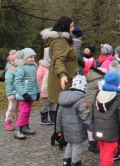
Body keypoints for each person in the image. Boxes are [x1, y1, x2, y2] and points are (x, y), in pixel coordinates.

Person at [40, 15, 78, 148]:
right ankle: (62, 136)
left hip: (65, 78)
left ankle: (58, 135)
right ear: (65, 26)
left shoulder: (63, 40)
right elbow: (59, 60)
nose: (73, 28)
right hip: (62, 80)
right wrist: (62, 75)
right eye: (71, 26)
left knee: (62, 107)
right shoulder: (60, 41)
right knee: (64, 108)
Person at [93, 72, 120, 166]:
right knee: (109, 153)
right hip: (111, 131)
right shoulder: (118, 96)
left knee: (103, 151)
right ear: (117, 83)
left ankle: (102, 163)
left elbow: (94, 113)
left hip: (99, 129)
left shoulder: (98, 94)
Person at [56, 75, 92, 166]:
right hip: (78, 130)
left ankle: (66, 160)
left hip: (67, 129)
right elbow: (85, 116)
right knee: (77, 147)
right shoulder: (81, 100)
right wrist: (91, 126)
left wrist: (59, 130)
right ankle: (76, 162)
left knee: (70, 144)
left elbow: (59, 116)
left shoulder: (63, 99)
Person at [99, 60, 120, 160]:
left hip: (104, 114)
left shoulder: (101, 84)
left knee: (110, 133)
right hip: (118, 113)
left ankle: (112, 153)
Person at [14, 48, 41, 139]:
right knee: (24, 111)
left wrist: (37, 91)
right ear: (25, 57)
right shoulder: (21, 68)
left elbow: (35, 81)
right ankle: (19, 129)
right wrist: (24, 93)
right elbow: (18, 82)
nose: (32, 59)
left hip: (31, 94)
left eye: (33, 57)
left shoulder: (33, 67)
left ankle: (26, 126)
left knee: (28, 111)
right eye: (30, 57)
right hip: (24, 95)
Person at [37, 58, 56, 125]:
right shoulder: (42, 67)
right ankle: (43, 118)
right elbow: (38, 78)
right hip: (44, 89)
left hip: (52, 89)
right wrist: (41, 88)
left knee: (53, 103)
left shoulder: (52, 66)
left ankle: (53, 118)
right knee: (46, 103)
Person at [4, 52, 18, 131]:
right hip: (12, 93)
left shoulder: (19, 69)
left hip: (19, 92)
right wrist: (10, 94)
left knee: (19, 108)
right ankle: (8, 121)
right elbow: (8, 83)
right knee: (12, 108)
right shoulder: (9, 71)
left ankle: (19, 121)